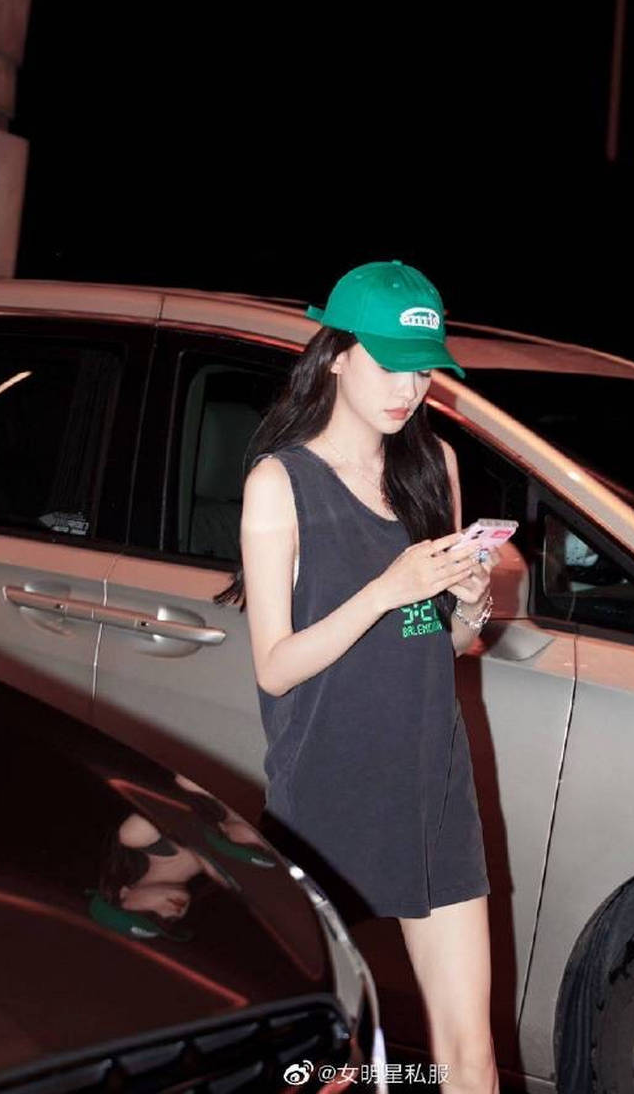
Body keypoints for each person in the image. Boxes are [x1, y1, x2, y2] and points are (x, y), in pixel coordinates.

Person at [219, 259, 501, 1094]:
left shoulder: (434, 464)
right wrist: (385, 589)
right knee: (315, 1064)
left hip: (431, 782)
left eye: (422, 370)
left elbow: (441, 644)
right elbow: (275, 669)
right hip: (327, 791)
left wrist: (471, 606)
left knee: (469, 1057)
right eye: (389, 364)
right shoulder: (280, 483)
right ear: (337, 355)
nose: (408, 389)